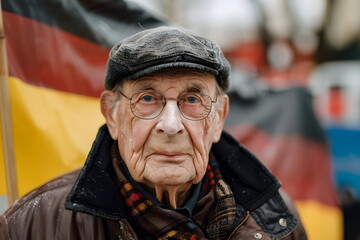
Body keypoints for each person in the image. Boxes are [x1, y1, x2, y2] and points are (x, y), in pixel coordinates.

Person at [0, 26, 307, 239]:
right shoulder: (30, 225)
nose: (171, 125)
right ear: (113, 115)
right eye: (147, 99)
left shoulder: (275, 221)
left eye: (191, 100)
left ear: (218, 117)